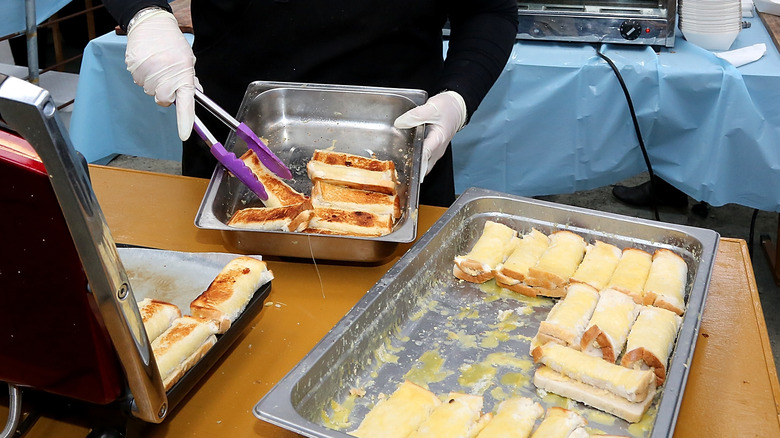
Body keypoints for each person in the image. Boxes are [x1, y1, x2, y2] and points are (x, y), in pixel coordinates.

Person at [102, 0, 519, 207]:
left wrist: (457, 98)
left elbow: (488, 10)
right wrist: (144, 14)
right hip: (235, 135)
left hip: (399, 141)